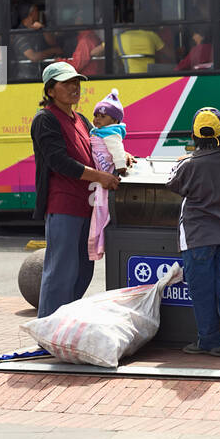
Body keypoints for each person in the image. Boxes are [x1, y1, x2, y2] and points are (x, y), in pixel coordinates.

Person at [30, 61, 120, 317]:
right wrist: (100, 177)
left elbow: (99, 147)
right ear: (50, 91)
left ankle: (66, 323)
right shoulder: (45, 119)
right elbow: (59, 162)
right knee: (61, 271)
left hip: (88, 206)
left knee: (83, 269)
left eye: (76, 82)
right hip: (64, 205)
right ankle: (49, 329)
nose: (74, 87)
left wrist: (122, 158)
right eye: (67, 83)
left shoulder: (80, 119)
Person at [166, 107, 220, 358]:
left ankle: (208, 340)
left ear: (193, 138)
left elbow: (171, 182)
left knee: (201, 290)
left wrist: (185, 159)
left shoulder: (189, 166)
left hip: (197, 237)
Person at [87, 89, 132, 262]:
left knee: (102, 214)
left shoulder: (111, 133)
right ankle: (97, 246)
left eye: (102, 116)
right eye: (95, 115)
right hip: (101, 179)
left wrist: (121, 167)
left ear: (114, 120)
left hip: (106, 179)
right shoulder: (98, 132)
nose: (97, 119)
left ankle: (98, 246)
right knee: (100, 213)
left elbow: (118, 152)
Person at [14, 4, 61, 80]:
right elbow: (33, 57)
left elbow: (52, 43)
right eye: (37, 11)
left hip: (39, 74)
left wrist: (43, 29)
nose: (38, 13)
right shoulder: (19, 35)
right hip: (26, 78)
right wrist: (53, 51)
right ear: (31, 14)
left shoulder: (36, 30)